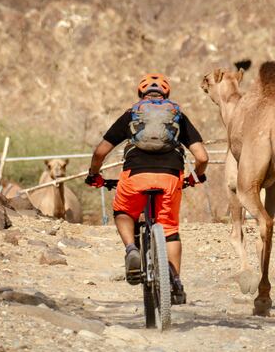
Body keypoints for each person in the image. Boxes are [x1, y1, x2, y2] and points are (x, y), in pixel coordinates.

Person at [85, 74, 209, 304]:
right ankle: (176, 282)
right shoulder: (178, 115)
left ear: (141, 95)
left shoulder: (132, 114)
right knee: (170, 228)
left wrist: (94, 175)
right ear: (167, 95)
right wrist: (194, 178)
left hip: (135, 175)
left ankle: (132, 249)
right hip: (171, 177)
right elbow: (202, 157)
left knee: (124, 212)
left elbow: (100, 152)